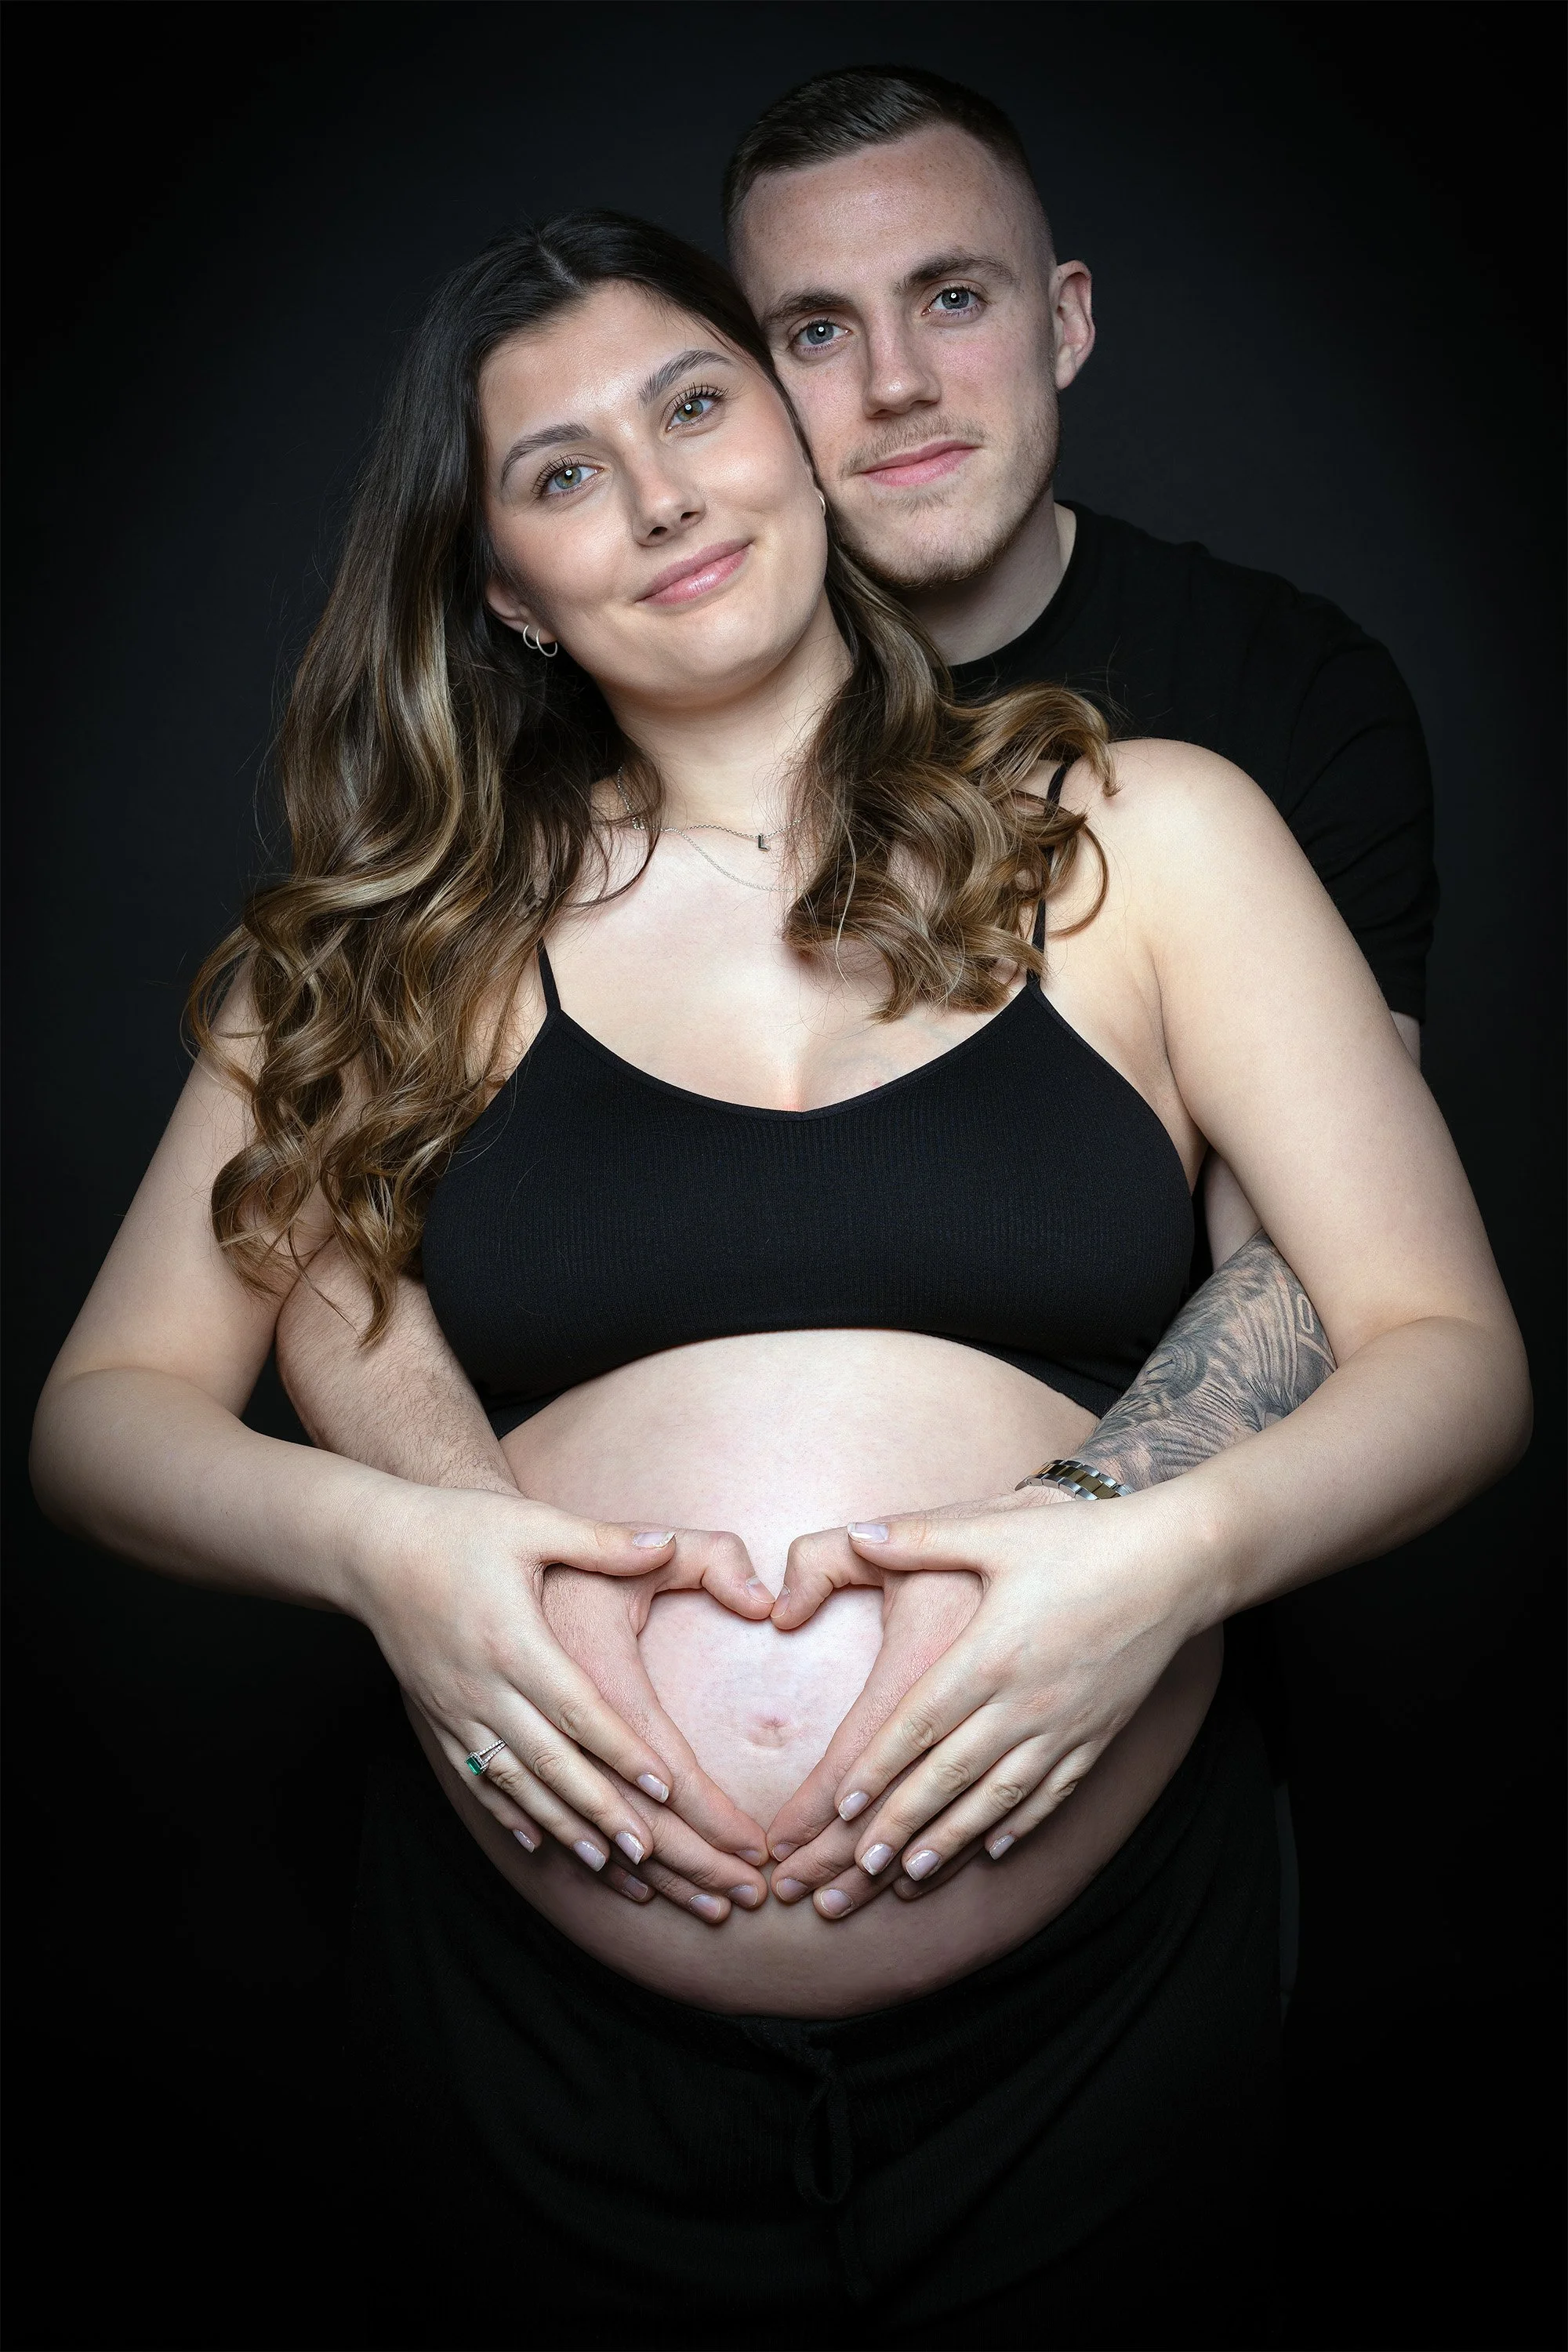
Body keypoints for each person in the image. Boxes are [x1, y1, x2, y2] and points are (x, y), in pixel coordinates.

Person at [31, 211, 1526, 2351]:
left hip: (1098, 2029)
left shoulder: (1144, 834)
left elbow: (1448, 1355)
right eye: (560, 476)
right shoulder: (393, 951)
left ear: (798, 439)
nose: (656, 498)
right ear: (503, 596)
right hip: (543, 2047)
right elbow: (106, 1418)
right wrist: (390, 1553)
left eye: (696, 404)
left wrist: (1163, 1554)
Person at [278, 67, 1443, 1930]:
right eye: (816, 330)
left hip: (1108, 1890)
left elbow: (1353, 1271)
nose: (890, 383)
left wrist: (1117, 1552)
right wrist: (423, 1530)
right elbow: (276, 1277)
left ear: (1064, 318)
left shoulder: (1212, 765)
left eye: (953, 298)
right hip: (528, 1994)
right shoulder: (452, 902)